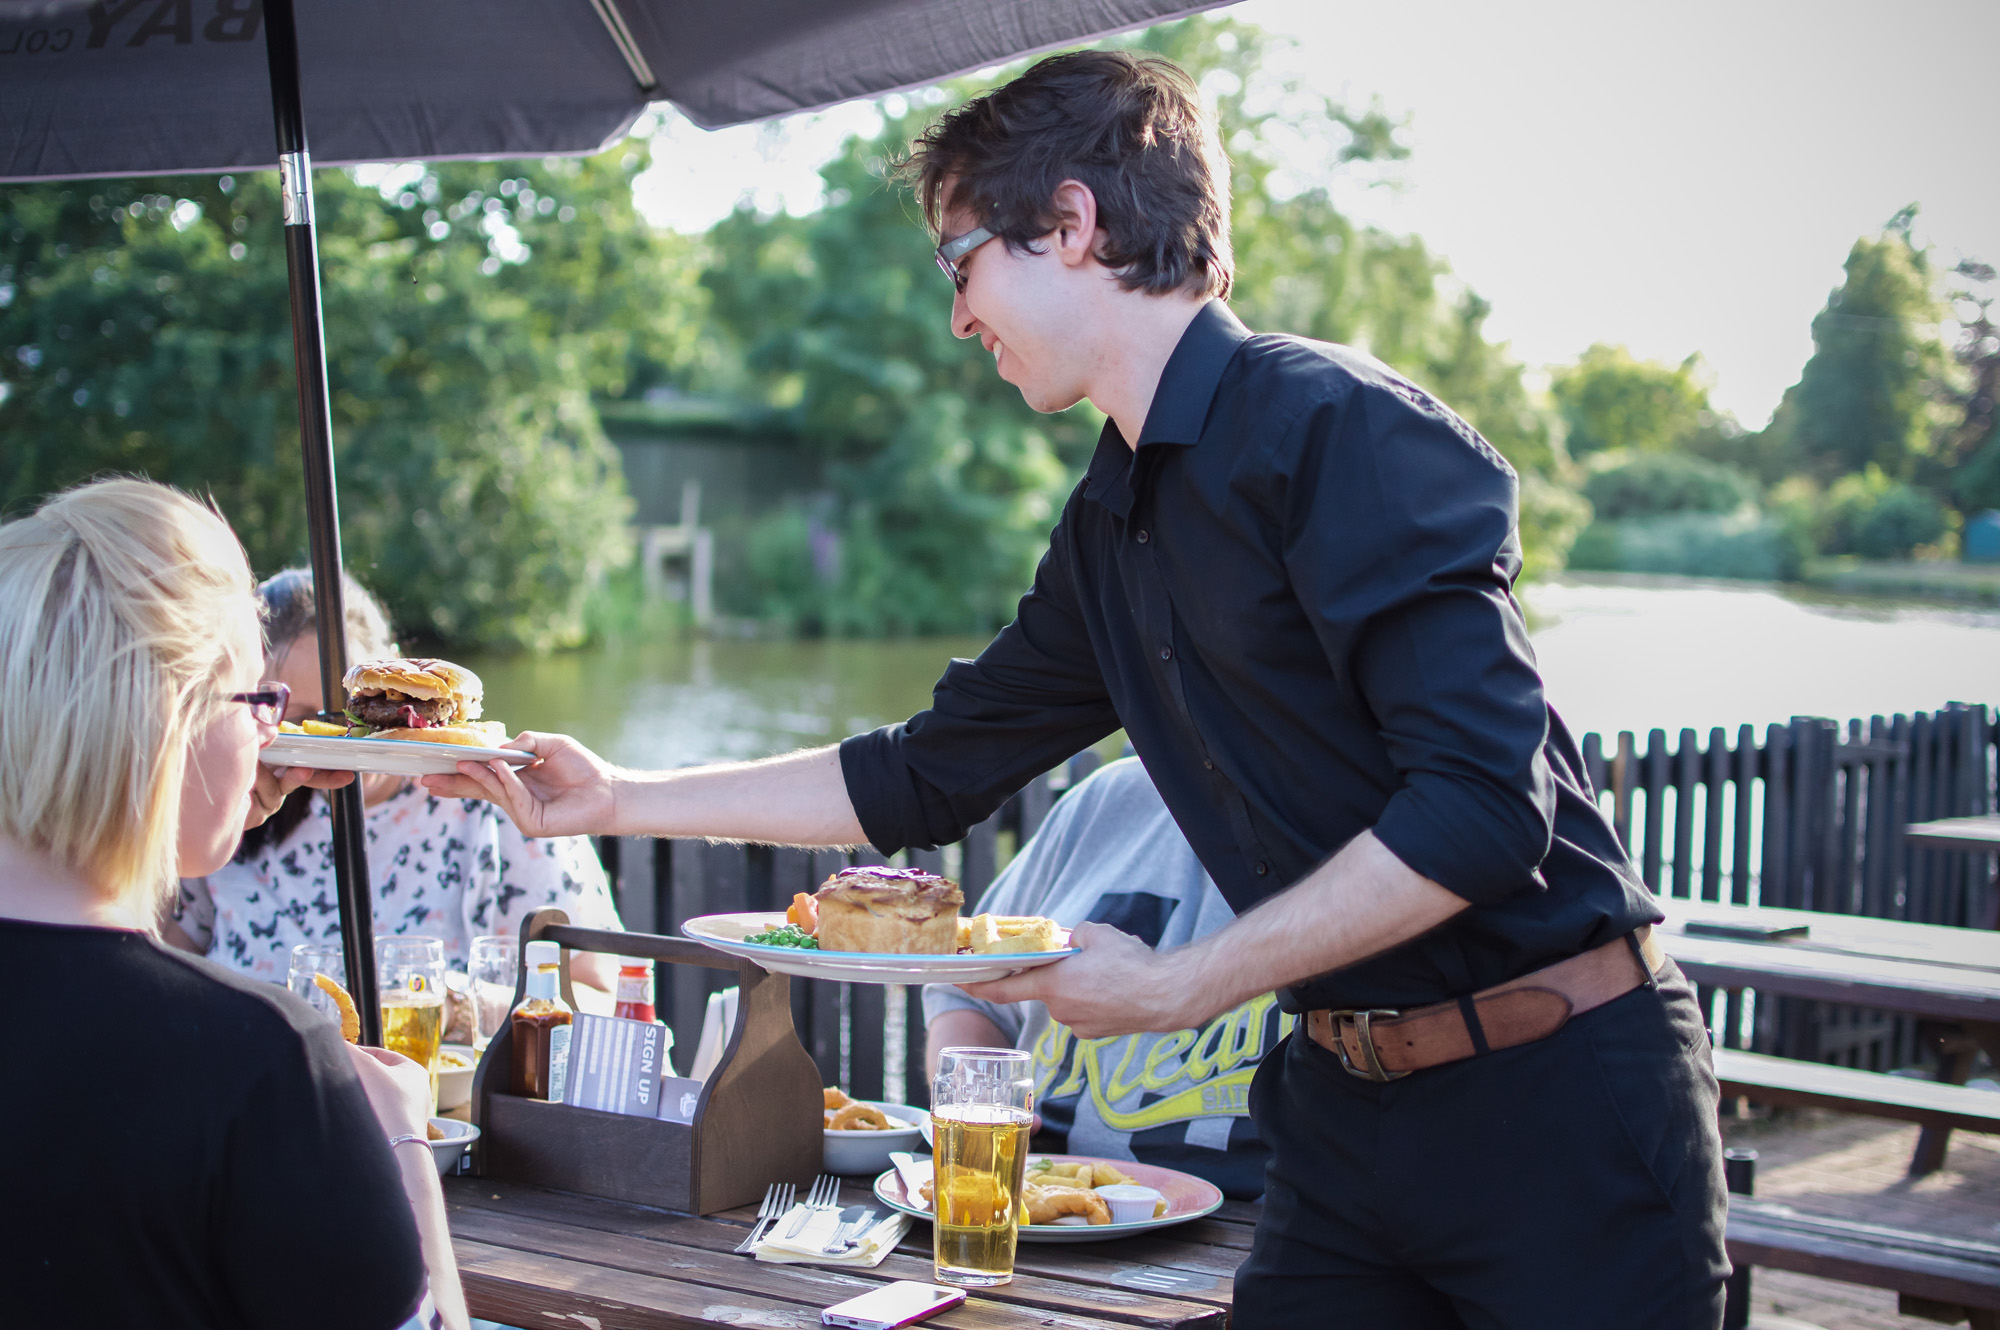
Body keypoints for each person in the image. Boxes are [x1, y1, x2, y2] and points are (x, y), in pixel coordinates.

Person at [422, 50, 1727, 1329]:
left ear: (1071, 223)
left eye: (961, 262)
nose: (958, 315)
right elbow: (922, 772)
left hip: (1560, 1104)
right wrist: (609, 796)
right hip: (1341, 1101)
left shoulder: (1344, 429)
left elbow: (1485, 813)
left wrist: (1184, 982)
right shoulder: (1113, 521)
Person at [0, 478, 466, 1329]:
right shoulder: (265, 1062)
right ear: (170, 715)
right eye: (255, 698)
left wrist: (236, 797)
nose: (270, 732)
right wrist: (403, 1148)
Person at [164, 567, 623, 1006]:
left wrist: (457, 1006)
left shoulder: (498, 804)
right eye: (297, 721)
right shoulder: (230, 816)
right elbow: (152, 974)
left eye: (352, 710)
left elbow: (604, 995)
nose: (331, 736)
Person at [924, 756, 1279, 1200]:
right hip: (1036, 1204)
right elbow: (964, 992)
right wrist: (975, 1099)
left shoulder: (1370, 835)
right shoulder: (1109, 796)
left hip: (1255, 1223)